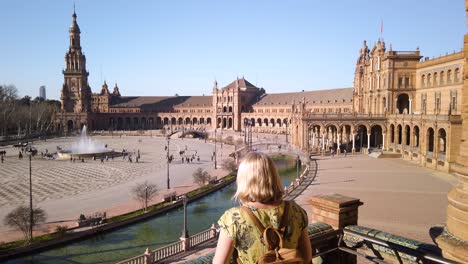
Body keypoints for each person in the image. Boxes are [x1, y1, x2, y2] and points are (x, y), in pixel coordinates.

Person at [213, 152, 312, 264]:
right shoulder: (296, 211)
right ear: (274, 176)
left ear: (244, 180)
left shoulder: (234, 218)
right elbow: (307, 257)